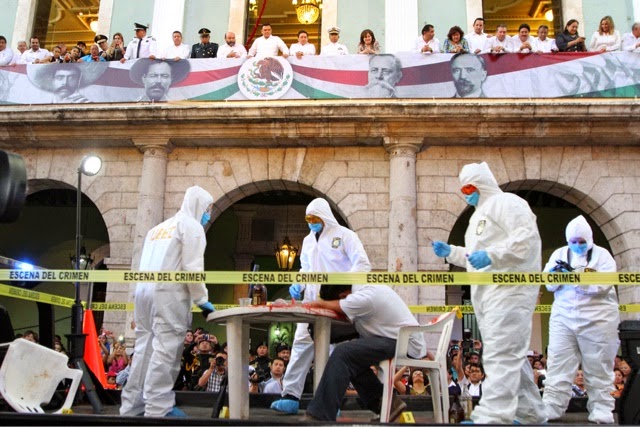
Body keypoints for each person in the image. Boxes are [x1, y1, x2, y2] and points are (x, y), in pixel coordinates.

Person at [432, 162, 546, 424]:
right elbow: (476, 257)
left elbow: (525, 240)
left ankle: (494, 416)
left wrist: (493, 255)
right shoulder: (477, 218)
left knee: (500, 354)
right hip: (487, 293)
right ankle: (532, 413)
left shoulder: (508, 203)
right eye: (463, 189)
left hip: (509, 289)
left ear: (482, 185)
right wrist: (452, 252)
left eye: (469, 188)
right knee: (508, 353)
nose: (466, 194)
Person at [119, 185, 216, 418]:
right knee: (166, 351)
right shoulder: (191, 227)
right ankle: (158, 407)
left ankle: (132, 406)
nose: (208, 214)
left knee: (143, 350)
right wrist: (202, 299)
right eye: (208, 208)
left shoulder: (156, 229)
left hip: (144, 294)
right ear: (198, 205)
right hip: (168, 295)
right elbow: (192, 267)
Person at [270, 197, 371, 415]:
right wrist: (297, 284)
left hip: (336, 303)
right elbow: (305, 268)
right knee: (300, 346)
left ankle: (329, 402)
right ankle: (290, 396)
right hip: (311, 303)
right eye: (308, 219)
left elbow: (362, 264)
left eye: (315, 218)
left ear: (325, 216)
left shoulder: (345, 236)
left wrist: (343, 285)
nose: (311, 222)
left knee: (333, 352)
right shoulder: (307, 241)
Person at [303, 284, 426, 422]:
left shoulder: (362, 298)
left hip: (404, 343)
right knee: (351, 359)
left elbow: (326, 306)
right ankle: (387, 405)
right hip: (394, 338)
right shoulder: (365, 291)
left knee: (343, 353)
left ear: (343, 297)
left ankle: (319, 416)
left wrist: (317, 303)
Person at [541, 215, 619, 424]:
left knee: (598, 366)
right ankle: (551, 407)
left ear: (590, 239)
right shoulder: (559, 253)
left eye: (582, 242)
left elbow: (603, 286)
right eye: (573, 242)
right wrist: (556, 275)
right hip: (563, 318)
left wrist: (574, 279)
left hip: (598, 320)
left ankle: (602, 408)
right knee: (558, 363)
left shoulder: (602, 256)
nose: (577, 246)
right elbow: (548, 284)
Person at [26, 62, 106, 103]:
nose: (64, 83)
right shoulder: (46, 104)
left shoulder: (87, 104)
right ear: (52, 80)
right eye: (60, 78)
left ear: (78, 80)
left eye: (71, 78)